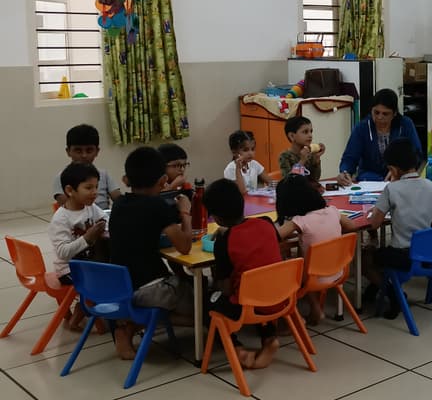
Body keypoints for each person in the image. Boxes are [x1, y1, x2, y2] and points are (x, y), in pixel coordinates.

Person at [109, 147, 194, 360]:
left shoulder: (119, 204)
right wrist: (185, 212)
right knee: (205, 304)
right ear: (163, 180)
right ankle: (132, 325)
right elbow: (184, 247)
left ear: (127, 179)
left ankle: (130, 324)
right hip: (151, 290)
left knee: (186, 289)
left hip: (120, 286)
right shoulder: (157, 206)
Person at [203, 178, 282, 370]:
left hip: (250, 305)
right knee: (257, 287)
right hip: (282, 297)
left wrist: (214, 283)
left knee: (207, 301)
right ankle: (269, 338)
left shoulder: (224, 242)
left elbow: (227, 288)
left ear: (216, 218)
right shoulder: (266, 223)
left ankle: (238, 350)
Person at [365, 139, 432, 318]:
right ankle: (373, 290)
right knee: (383, 253)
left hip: (404, 255)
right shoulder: (430, 185)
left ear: (393, 170)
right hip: (430, 251)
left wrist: (376, 210)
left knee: (365, 259)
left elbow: (374, 224)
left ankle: (393, 294)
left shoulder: (392, 189)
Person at [274, 174, 356, 324]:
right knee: (310, 264)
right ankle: (315, 308)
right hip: (338, 271)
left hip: (313, 277)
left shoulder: (299, 221)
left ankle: (310, 310)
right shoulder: (333, 211)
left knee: (293, 268)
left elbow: (275, 236)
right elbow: (351, 226)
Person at [48, 162, 108, 330]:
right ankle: (76, 318)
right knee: (102, 282)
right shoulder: (61, 219)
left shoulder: (90, 207)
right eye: (88, 188)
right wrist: (87, 239)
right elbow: (63, 252)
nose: (95, 192)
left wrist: (104, 224)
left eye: (96, 186)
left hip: (88, 263)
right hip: (68, 269)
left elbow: (104, 218)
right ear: (69, 191)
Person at [337, 89, 422, 185]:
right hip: (370, 178)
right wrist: (344, 172)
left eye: (385, 114)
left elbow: (417, 154)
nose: (380, 117)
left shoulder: (405, 124)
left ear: (394, 113)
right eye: (376, 112)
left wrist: (400, 171)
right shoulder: (362, 127)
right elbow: (350, 157)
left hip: (399, 176)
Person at [52, 124, 120, 209]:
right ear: (68, 151)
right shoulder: (61, 177)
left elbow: (119, 199)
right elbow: (68, 208)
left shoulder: (104, 174)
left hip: (104, 219)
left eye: (89, 150)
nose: (84, 155)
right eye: (78, 150)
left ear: (97, 151)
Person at [279, 116, 325, 182]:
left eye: (311, 131)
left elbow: (315, 179)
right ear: (292, 136)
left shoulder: (310, 154)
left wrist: (316, 158)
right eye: (305, 132)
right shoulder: (285, 156)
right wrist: (302, 161)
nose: (310, 135)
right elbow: (289, 182)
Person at [224, 130, 267, 195]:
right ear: (234, 152)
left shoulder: (254, 164)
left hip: (252, 202)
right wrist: (238, 169)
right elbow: (242, 192)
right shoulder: (231, 169)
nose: (250, 153)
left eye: (252, 149)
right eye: (245, 150)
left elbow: (270, 181)